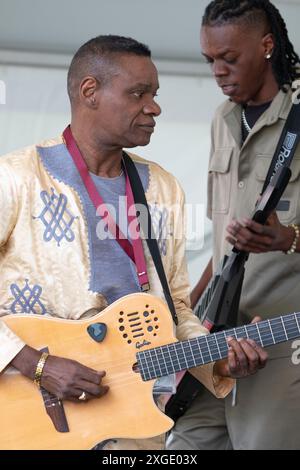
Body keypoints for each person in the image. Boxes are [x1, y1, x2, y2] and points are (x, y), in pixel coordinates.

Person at [0, 35, 267, 450]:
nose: (154, 107)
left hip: (132, 421)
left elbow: (175, 309)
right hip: (28, 416)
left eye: (155, 94)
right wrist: (38, 365)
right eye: (138, 93)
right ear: (90, 92)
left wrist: (220, 359)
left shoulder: (161, 187)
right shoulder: (15, 178)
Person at [166, 0, 300, 451]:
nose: (218, 72)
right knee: (181, 446)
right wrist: (188, 314)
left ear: (267, 45)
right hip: (219, 335)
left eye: (229, 58)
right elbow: (224, 247)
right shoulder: (223, 120)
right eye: (210, 61)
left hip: (282, 339)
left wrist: (290, 238)